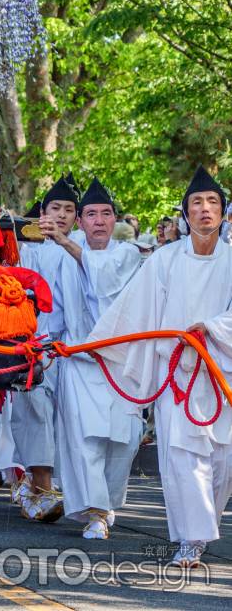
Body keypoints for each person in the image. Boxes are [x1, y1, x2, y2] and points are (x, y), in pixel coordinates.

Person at [90, 165, 232, 567]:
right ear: (185, 215)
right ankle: (191, 539)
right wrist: (92, 344)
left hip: (222, 373)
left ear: (222, 213)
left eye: (213, 203)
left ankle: (202, 530)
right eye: (197, 204)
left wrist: (212, 327)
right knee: (182, 457)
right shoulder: (165, 261)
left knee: (222, 461)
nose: (205, 210)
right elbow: (133, 311)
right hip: (178, 373)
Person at [46, 177, 144, 539]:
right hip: (78, 359)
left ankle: (107, 502)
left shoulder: (127, 254)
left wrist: (66, 244)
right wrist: (45, 345)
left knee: (124, 439)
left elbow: (105, 281)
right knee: (84, 439)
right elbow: (55, 307)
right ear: (81, 221)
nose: (99, 220)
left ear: (114, 220)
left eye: (105, 214)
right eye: (91, 214)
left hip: (122, 361)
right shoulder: (63, 259)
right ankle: (96, 512)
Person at [12, 175, 80, 522]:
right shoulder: (28, 249)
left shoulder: (82, 248)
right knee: (35, 414)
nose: (63, 215)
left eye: (70, 209)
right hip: (34, 346)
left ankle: (60, 489)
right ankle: (41, 484)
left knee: (68, 421)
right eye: (56, 208)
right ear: (42, 212)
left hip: (72, 349)